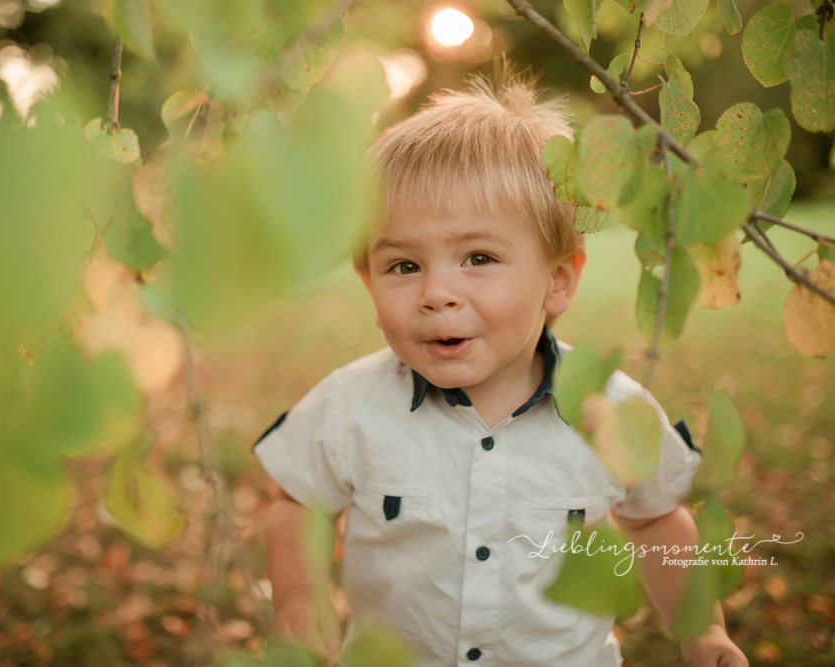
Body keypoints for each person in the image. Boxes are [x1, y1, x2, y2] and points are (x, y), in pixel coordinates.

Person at [252, 71, 749, 667]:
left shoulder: (613, 412)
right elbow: (298, 502)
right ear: (368, 282)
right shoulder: (350, 407)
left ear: (558, 282)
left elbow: (656, 521)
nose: (437, 292)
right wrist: (300, 600)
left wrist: (701, 631)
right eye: (403, 266)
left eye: (478, 258)